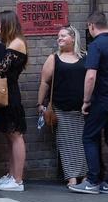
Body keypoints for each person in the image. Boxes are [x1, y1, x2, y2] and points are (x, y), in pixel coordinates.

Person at [69, 11, 108, 195]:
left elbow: (90, 76)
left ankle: (92, 181)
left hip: (102, 99)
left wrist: (86, 100)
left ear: (91, 26)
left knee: (89, 137)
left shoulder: (96, 45)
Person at [0, 10, 28, 192]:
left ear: (7, 23)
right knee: (10, 137)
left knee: (16, 135)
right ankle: (11, 175)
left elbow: (1, 69)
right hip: (4, 93)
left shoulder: (17, 43)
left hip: (10, 94)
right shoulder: (7, 44)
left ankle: (18, 180)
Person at [37, 25, 88, 187]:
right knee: (66, 144)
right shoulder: (54, 58)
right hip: (61, 109)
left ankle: (86, 175)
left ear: (73, 38)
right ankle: (71, 177)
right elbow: (45, 82)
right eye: (58, 36)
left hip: (82, 110)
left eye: (63, 35)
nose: (59, 38)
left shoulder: (85, 57)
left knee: (84, 143)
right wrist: (40, 103)